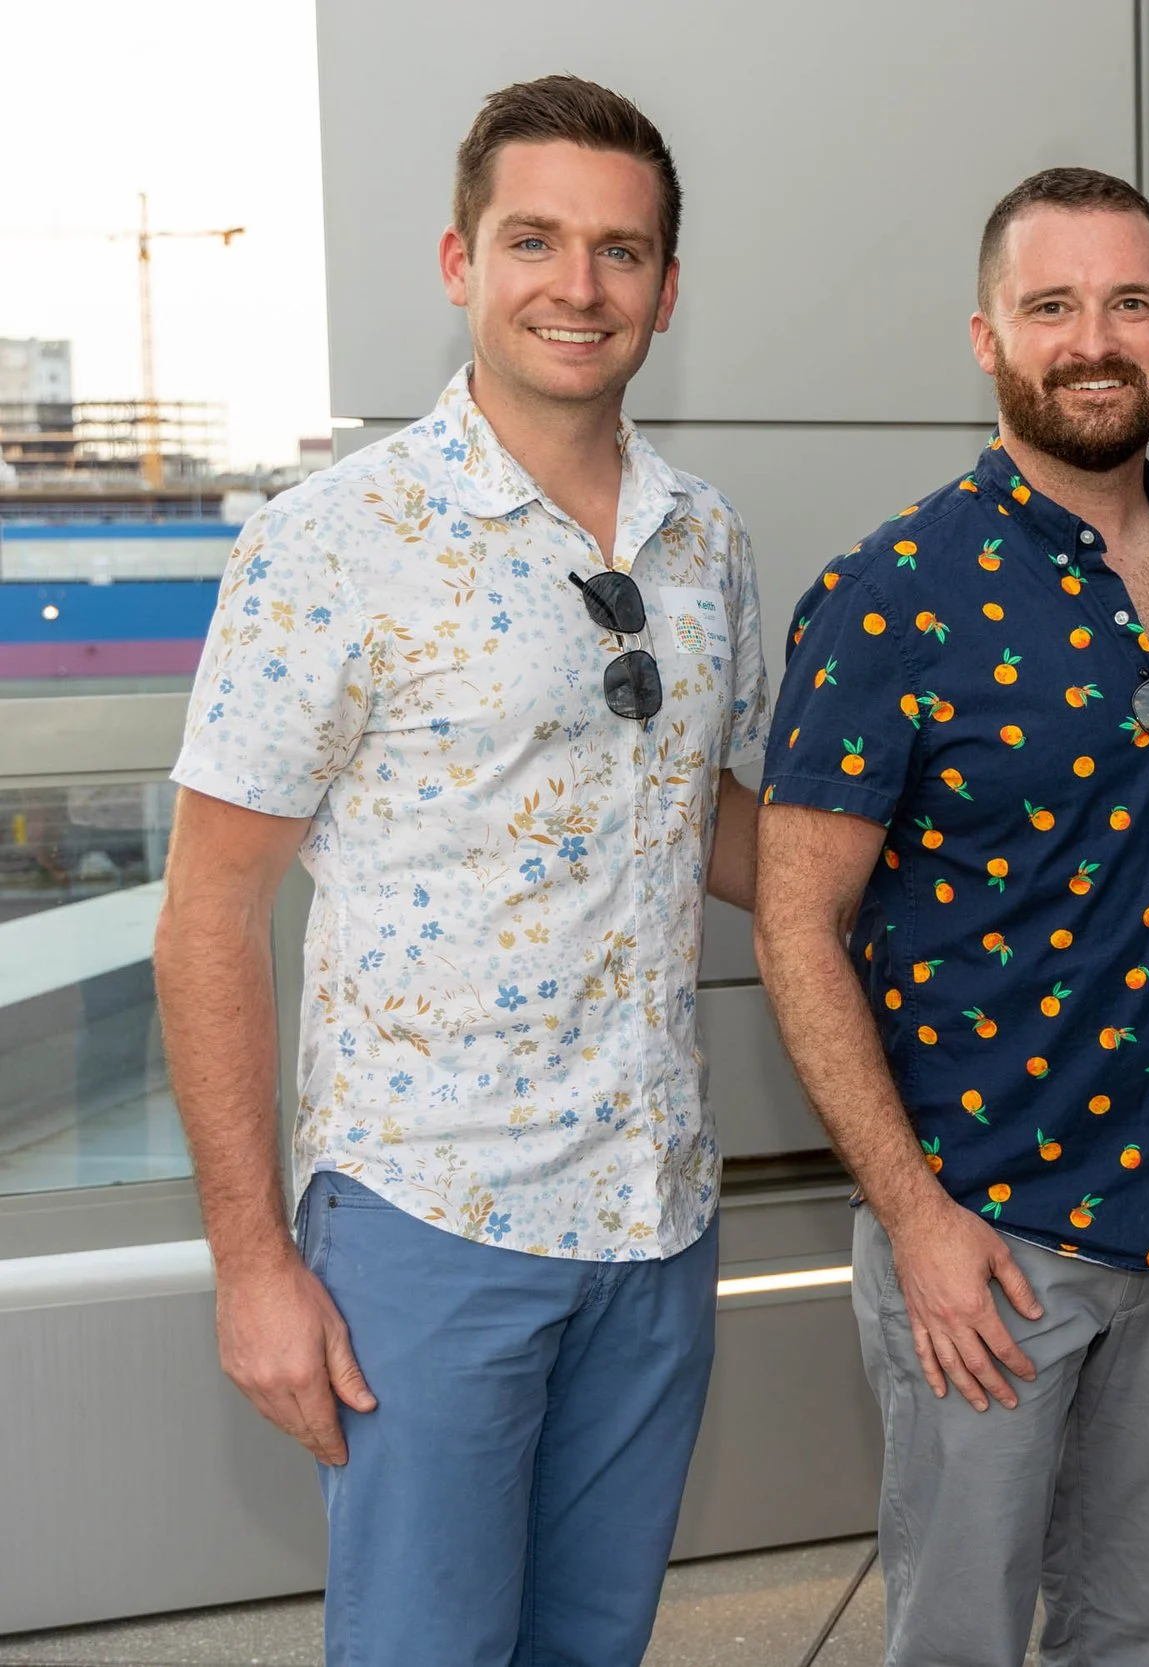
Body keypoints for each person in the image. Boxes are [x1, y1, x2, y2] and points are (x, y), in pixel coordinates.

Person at [153, 76, 766, 1664]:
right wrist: (253, 1266)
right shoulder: (332, 537)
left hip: (656, 1216)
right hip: (432, 1223)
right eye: (536, 241)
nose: (580, 286)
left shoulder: (707, 541)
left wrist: (984, 879)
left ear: (667, 289)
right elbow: (209, 915)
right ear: (458, 261)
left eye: (621, 252)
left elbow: (700, 818)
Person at [751, 166, 1149, 1667]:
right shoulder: (891, 591)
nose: (1095, 337)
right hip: (988, 1241)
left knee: (1125, 1634)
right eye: (1052, 304)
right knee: (962, 1638)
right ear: (987, 337)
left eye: (1130, 301)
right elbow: (797, 924)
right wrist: (914, 1220)